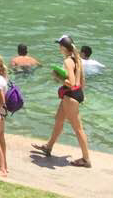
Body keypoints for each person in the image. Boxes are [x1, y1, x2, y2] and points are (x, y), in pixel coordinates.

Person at [33, 34, 92, 168]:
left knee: (78, 129)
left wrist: (57, 76)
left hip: (70, 95)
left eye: (59, 45)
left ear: (63, 47)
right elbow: (82, 81)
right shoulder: (77, 59)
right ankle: (48, 147)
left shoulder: (67, 62)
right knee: (59, 119)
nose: (59, 48)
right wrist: (82, 94)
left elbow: (71, 83)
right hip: (77, 94)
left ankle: (86, 159)